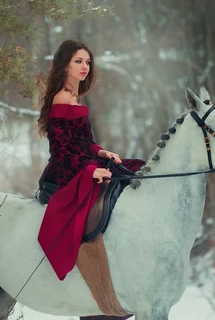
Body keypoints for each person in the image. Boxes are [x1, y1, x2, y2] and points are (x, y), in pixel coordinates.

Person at [36, 40, 145, 320]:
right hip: (64, 173)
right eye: (78, 61)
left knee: (132, 169)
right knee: (91, 204)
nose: (85, 67)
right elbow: (61, 152)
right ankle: (90, 283)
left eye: (87, 62)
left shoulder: (76, 97)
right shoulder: (61, 98)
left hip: (81, 163)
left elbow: (85, 142)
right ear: (64, 65)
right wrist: (89, 170)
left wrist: (101, 152)